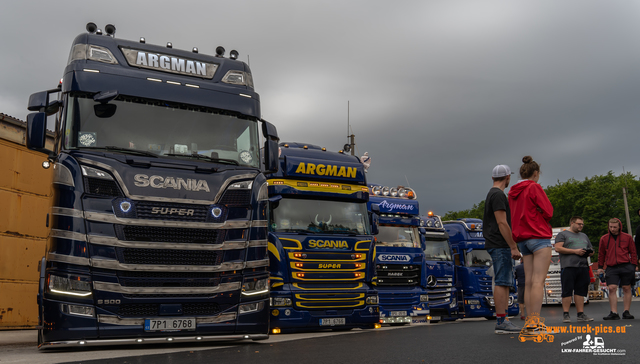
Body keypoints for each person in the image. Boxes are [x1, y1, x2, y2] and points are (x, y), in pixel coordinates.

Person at [508, 156, 553, 323]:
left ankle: (529, 320)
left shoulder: (512, 192)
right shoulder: (534, 187)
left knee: (527, 283)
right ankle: (535, 321)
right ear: (536, 173)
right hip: (538, 236)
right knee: (538, 281)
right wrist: (539, 215)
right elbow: (549, 212)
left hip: (522, 239)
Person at [483, 164, 522, 334]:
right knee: (502, 281)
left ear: (492, 178)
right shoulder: (498, 195)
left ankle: (503, 318)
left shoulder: (492, 193)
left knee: (505, 282)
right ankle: (501, 320)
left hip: (496, 243)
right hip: (500, 243)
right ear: (508, 178)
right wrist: (513, 246)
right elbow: (502, 222)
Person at [554, 216, 594, 323]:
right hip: (568, 266)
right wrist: (575, 251)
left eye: (582, 224)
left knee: (581, 291)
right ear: (572, 223)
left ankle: (580, 314)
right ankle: (566, 314)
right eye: (579, 224)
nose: (581, 226)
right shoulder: (563, 234)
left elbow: (592, 249)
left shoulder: (584, 236)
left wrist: (589, 252)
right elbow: (558, 248)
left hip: (583, 266)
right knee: (567, 290)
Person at [597, 218, 638, 320]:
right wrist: (600, 267)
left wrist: (634, 265)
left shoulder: (627, 237)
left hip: (626, 265)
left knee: (626, 288)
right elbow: (601, 254)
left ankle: (626, 311)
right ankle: (614, 312)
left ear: (619, 226)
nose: (612, 229)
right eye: (610, 227)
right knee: (611, 288)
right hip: (611, 266)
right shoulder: (604, 238)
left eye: (614, 227)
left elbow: (633, 252)